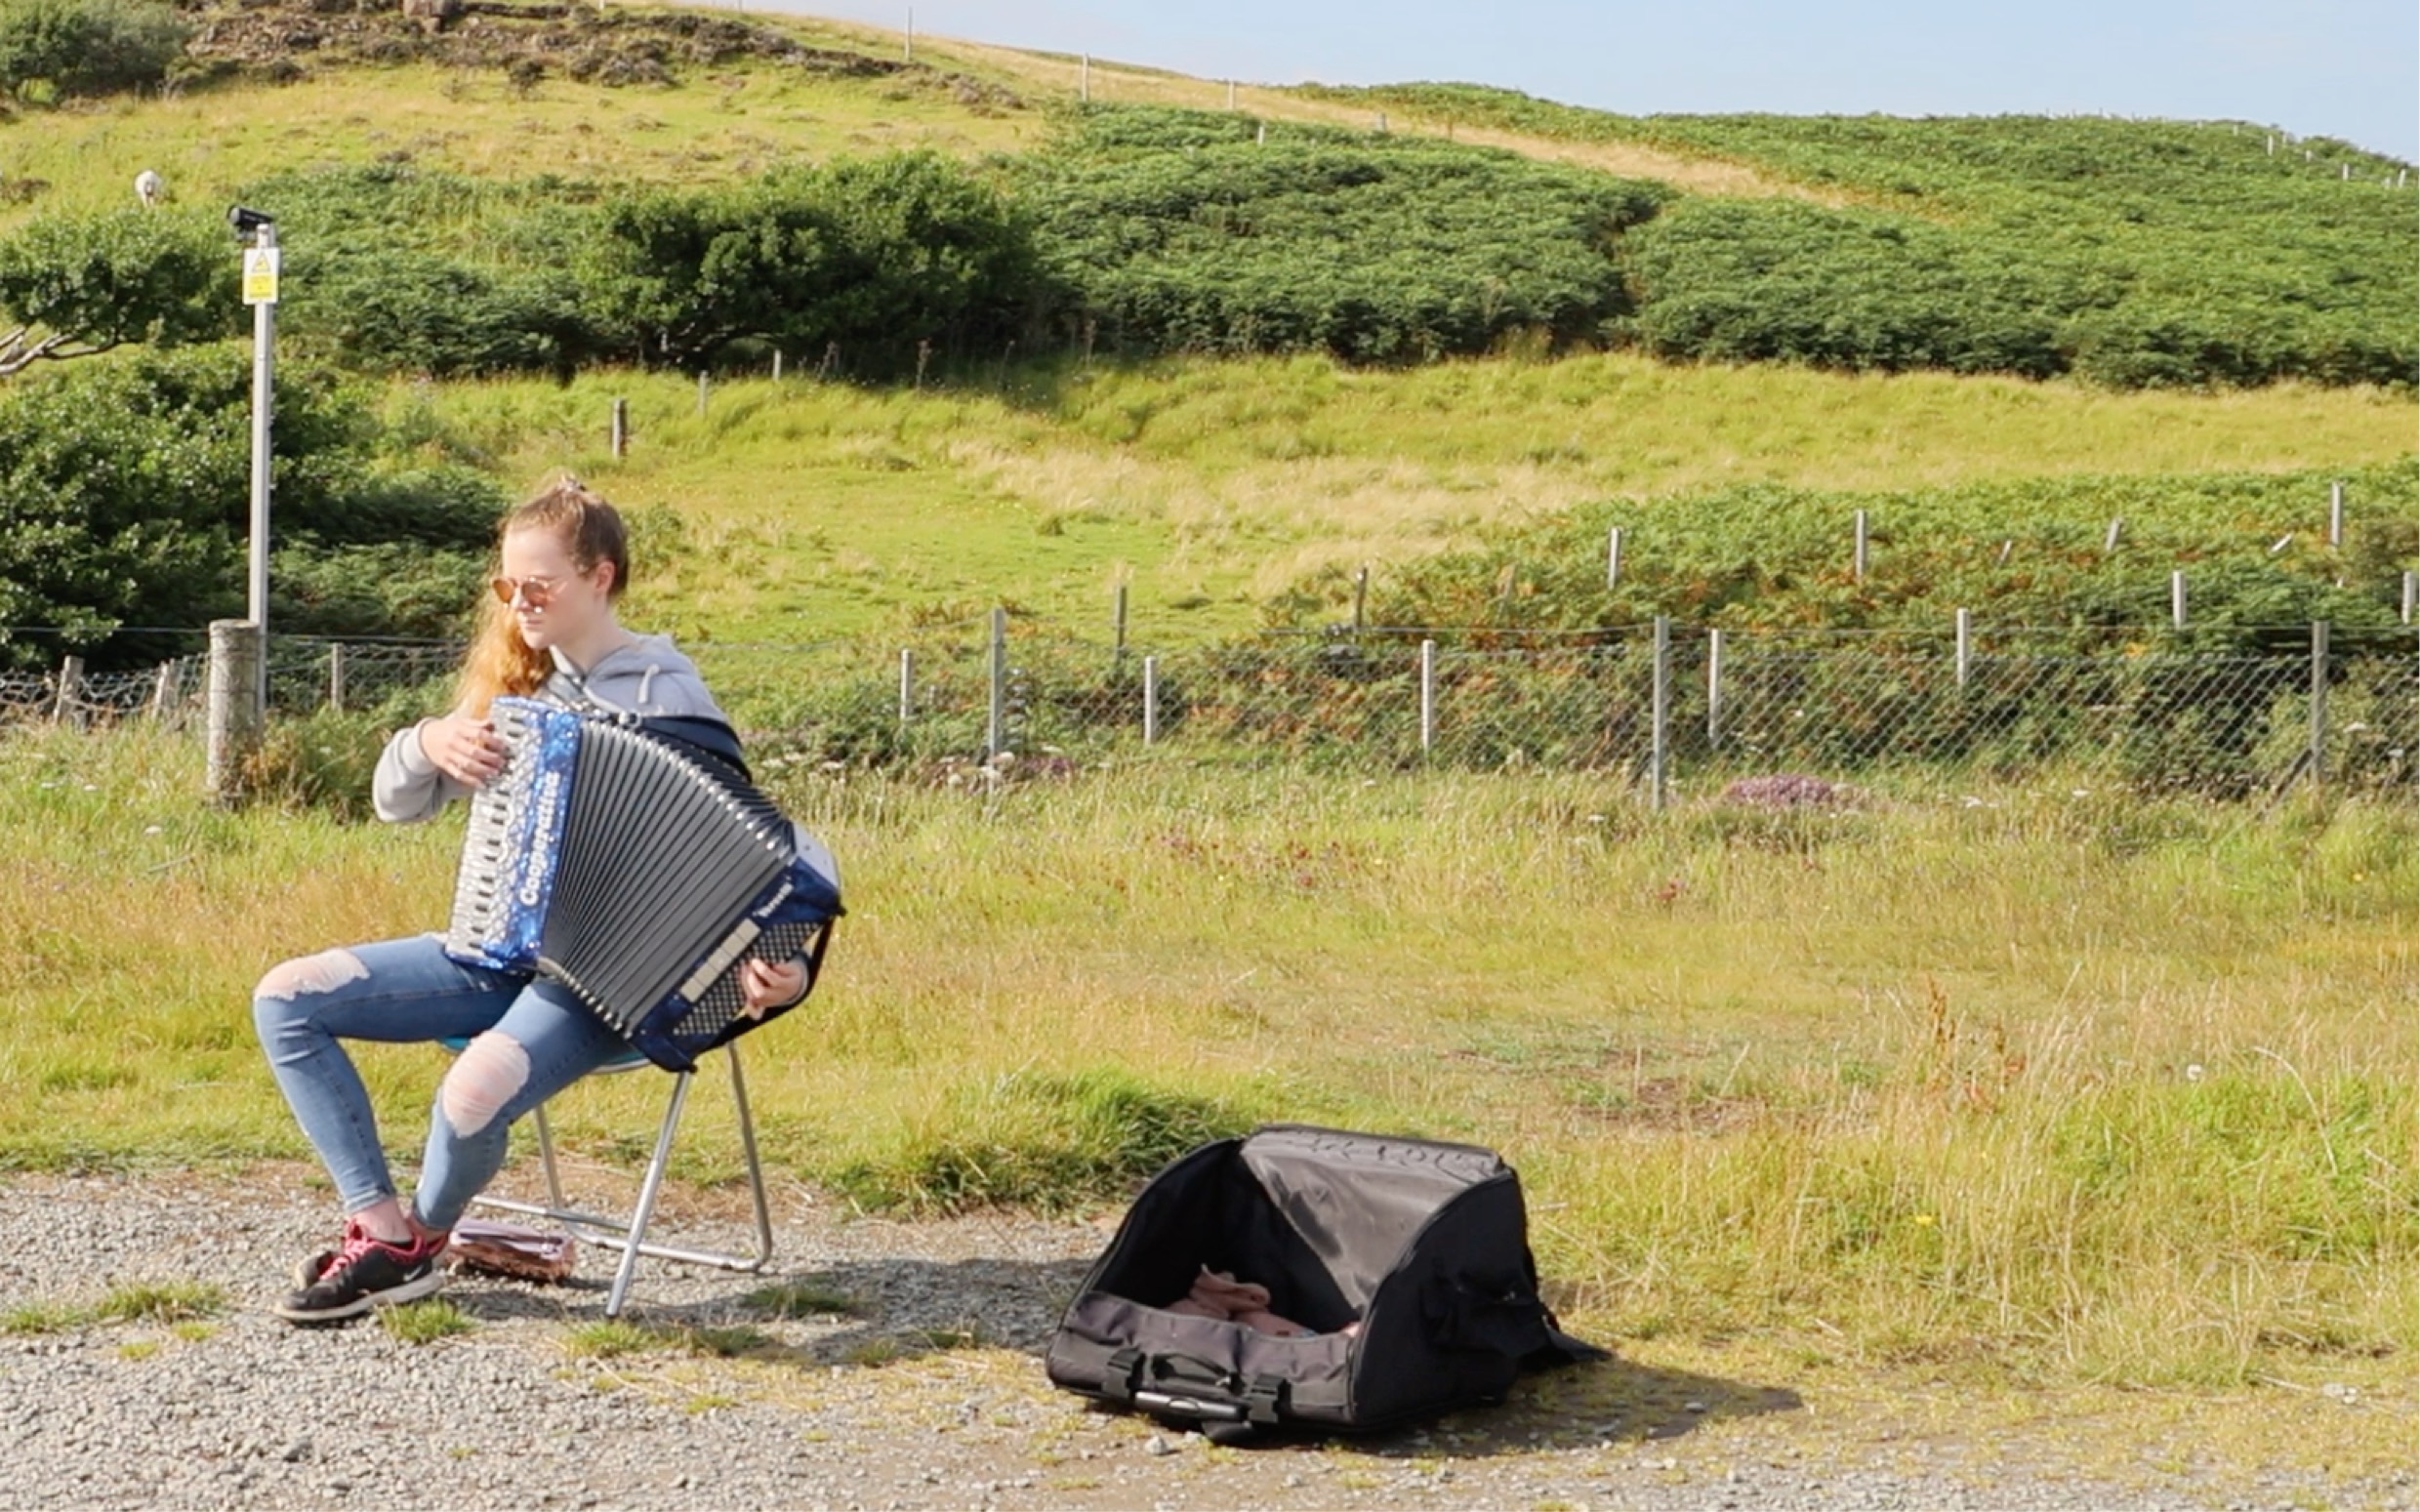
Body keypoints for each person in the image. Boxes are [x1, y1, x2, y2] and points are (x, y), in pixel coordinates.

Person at [252, 476, 811, 1325]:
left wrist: (790, 969)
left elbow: (763, 867)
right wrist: (426, 741)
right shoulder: (522, 695)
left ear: (602, 577)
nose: (520, 603)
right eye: (507, 586)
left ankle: (416, 1247)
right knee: (286, 996)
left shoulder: (671, 700)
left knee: (471, 1090)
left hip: (605, 987)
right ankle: (380, 1229)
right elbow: (394, 804)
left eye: (539, 585)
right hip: (494, 953)